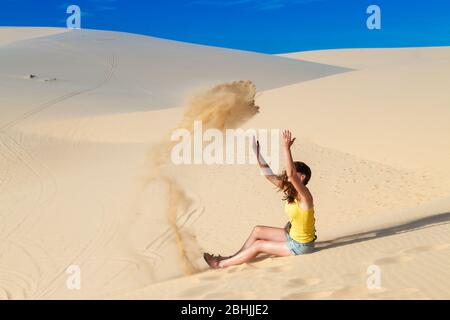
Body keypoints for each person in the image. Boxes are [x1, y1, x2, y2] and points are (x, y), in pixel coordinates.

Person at [204, 130, 316, 269]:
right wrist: (256, 153)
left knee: (259, 245)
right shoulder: (291, 190)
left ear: (302, 177)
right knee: (258, 230)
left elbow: (292, 175)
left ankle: (220, 264)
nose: (287, 175)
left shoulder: (305, 196)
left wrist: (286, 148)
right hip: (292, 236)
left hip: (301, 246)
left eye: (292, 171)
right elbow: (268, 175)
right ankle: (234, 257)